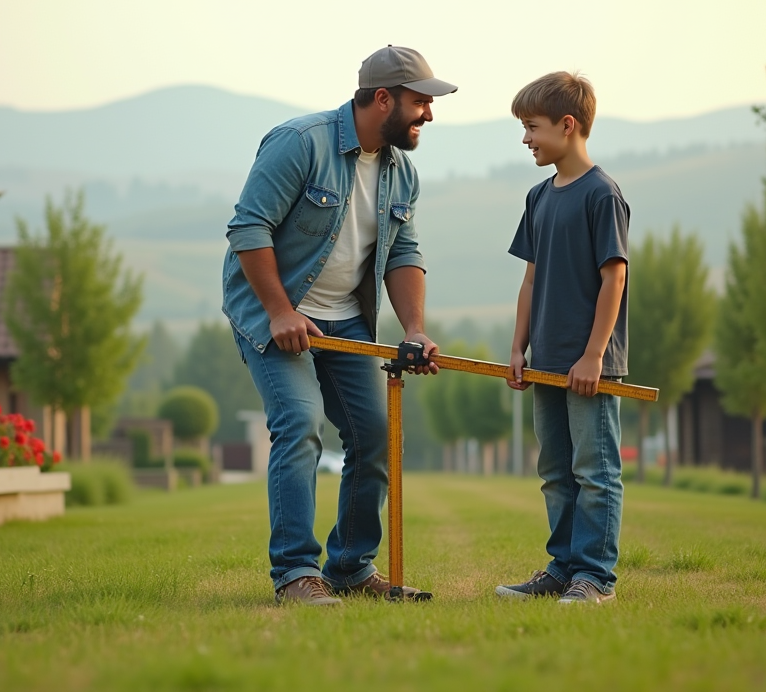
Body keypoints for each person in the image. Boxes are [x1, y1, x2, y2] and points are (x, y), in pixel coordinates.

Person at [222, 46, 455, 605]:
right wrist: (281, 311)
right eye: (420, 101)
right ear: (382, 99)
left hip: (346, 322)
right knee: (300, 424)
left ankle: (350, 567)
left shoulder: (403, 173)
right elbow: (248, 229)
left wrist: (415, 328)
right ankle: (297, 574)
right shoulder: (300, 144)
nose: (428, 114)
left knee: (375, 436)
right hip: (273, 312)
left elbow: (404, 253)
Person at [495, 71, 629, 604]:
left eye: (532, 127)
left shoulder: (603, 195)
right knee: (555, 470)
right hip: (546, 361)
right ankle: (563, 568)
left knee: (594, 470)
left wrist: (594, 355)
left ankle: (595, 577)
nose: (526, 138)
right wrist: (516, 348)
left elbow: (614, 276)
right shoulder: (538, 197)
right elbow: (530, 279)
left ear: (567, 126)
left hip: (590, 364)